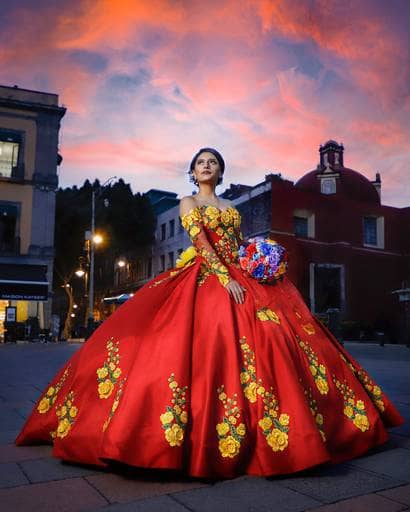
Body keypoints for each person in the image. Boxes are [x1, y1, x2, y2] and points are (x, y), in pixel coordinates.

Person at [16, 148, 403, 478]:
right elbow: (200, 242)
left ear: (220, 172)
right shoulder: (189, 203)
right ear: (193, 171)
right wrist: (224, 277)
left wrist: (253, 263)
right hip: (204, 272)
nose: (206, 166)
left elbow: (235, 245)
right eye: (200, 162)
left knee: (278, 332)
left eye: (212, 162)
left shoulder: (231, 208)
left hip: (236, 271)